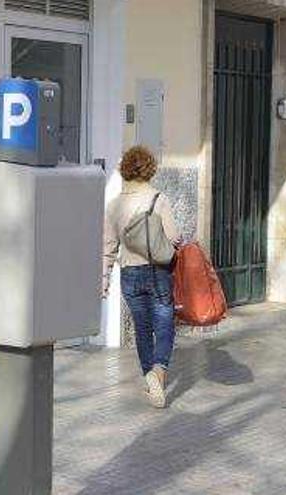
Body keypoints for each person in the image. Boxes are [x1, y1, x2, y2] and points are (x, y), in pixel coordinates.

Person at [102, 146, 181, 409]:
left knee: (142, 328)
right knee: (165, 323)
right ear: (149, 169)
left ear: (125, 170)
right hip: (158, 271)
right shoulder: (159, 199)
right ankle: (159, 371)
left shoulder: (114, 206)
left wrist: (104, 282)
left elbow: (108, 249)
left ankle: (150, 378)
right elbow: (173, 237)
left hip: (130, 273)